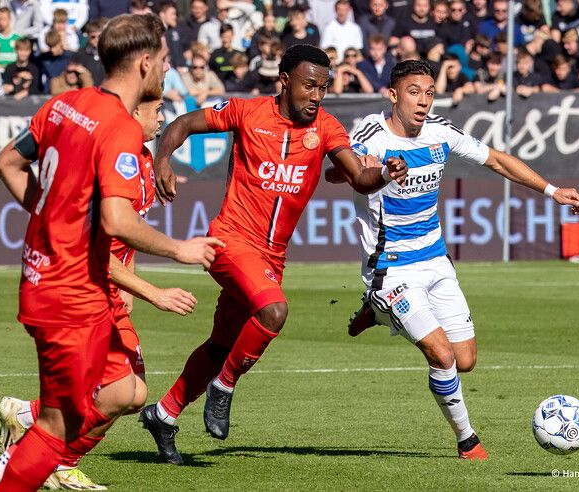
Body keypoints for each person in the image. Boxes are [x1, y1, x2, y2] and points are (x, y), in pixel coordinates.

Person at [0, 14, 222, 491]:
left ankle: (19, 439)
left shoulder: (63, 105)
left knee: (116, 393)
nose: (167, 69)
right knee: (59, 429)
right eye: (164, 61)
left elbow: (6, 162)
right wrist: (180, 250)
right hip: (73, 292)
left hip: (42, 281)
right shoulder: (120, 128)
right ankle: (11, 464)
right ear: (145, 63)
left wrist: (51, 214)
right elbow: (117, 222)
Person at [139, 44, 408, 465]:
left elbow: (358, 177)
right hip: (229, 240)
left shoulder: (328, 128)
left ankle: (164, 413)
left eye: (323, 87)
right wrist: (162, 160)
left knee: (221, 343)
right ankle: (224, 386)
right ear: (285, 81)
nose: (317, 96)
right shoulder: (247, 112)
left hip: (271, 256)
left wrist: (385, 176)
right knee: (274, 312)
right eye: (309, 86)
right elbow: (184, 122)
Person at [325, 59, 579, 461]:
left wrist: (552, 191)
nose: (423, 101)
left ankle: (377, 314)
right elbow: (333, 174)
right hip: (391, 268)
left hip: (436, 261)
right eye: (414, 92)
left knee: (465, 361)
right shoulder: (371, 135)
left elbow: (496, 159)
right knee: (441, 355)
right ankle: (468, 441)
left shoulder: (441, 131)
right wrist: (367, 171)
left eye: (429, 93)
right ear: (393, 95)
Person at [0, 94, 197, 490]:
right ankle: (53, 460)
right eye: (156, 111)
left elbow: (126, 238)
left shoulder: (141, 164)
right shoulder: (109, 163)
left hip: (113, 289)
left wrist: (131, 290)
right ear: (134, 111)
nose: (162, 119)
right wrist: (153, 292)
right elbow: (91, 246)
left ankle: (25, 417)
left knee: (133, 394)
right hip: (85, 288)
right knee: (124, 392)